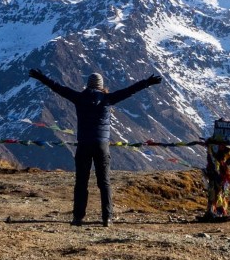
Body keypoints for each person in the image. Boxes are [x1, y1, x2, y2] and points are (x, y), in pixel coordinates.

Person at [28, 68, 162, 226]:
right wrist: (147, 82)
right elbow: (129, 91)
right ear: (101, 85)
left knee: (81, 182)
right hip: (101, 145)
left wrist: (40, 76)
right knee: (104, 183)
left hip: (84, 144)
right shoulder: (108, 99)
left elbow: (57, 87)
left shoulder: (78, 98)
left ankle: (78, 217)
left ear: (88, 84)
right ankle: (107, 218)